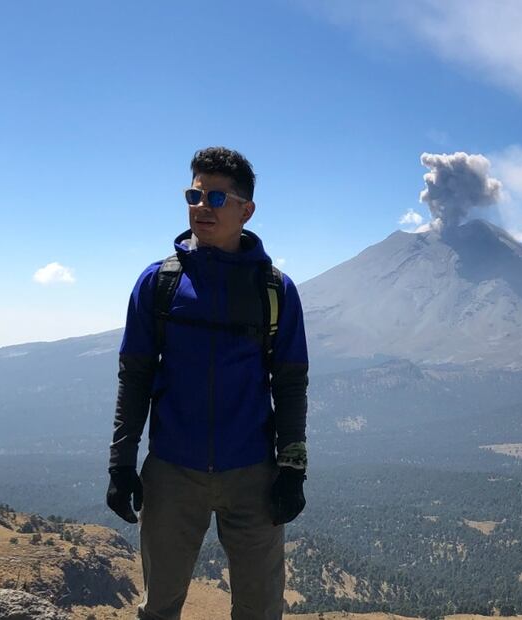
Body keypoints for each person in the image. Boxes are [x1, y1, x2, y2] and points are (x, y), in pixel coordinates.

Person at [106, 146, 309, 620]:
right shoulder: (158, 284)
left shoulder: (275, 290)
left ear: (246, 210)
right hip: (172, 473)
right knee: (159, 609)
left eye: (216, 198)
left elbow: (291, 382)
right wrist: (121, 463)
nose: (201, 206)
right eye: (194, 194)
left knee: (260, 612)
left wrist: (292, 468)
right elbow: (133, 378)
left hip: (254, 476)